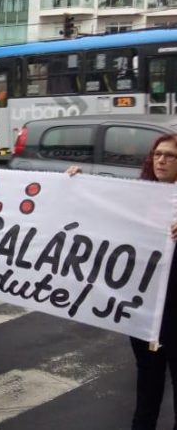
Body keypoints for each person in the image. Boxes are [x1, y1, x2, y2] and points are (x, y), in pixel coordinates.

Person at [68, 134, 177, 430]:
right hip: (146, 310)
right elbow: (104, 210)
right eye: (157, 154)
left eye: (169, 156)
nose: (162, 160)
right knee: (148, 383)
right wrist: (79, 185)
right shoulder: (139, 196)